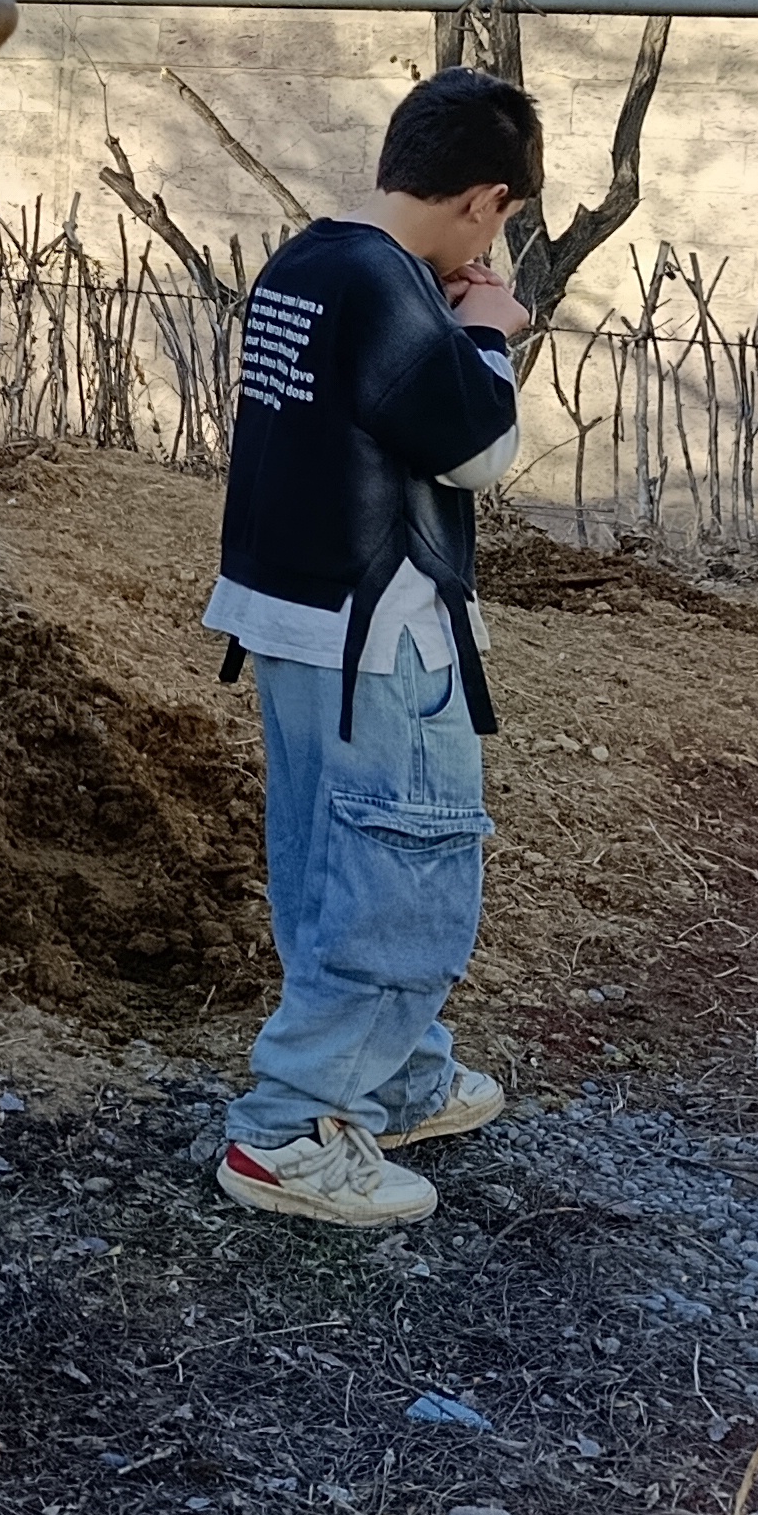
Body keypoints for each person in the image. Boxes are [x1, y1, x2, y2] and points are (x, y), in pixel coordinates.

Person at [199, 66, 538, 1231]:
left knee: (332, 860)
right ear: (487, 201)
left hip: (294, 617)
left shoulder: (306, 262)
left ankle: (392, 1079)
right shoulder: (390, 287)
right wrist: (489, 333)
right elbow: (476, 452)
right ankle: (289, 1127)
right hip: (379, 628)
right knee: (406, 872)